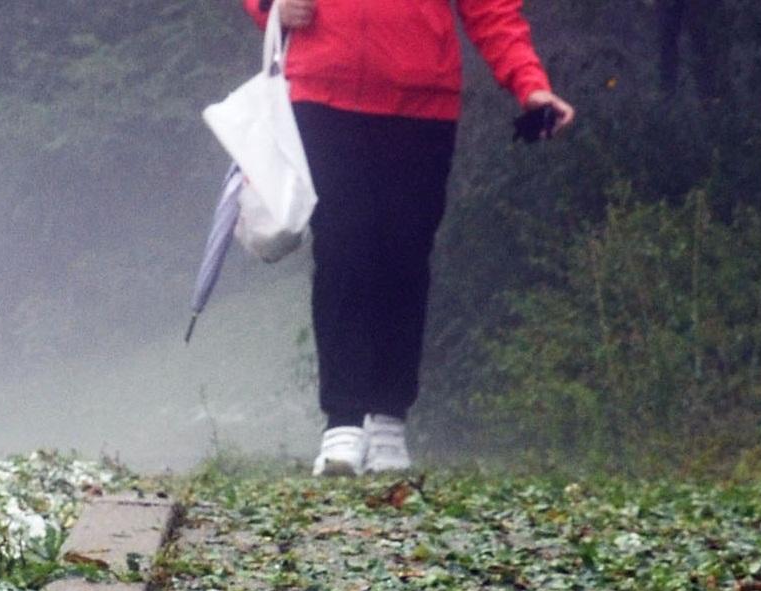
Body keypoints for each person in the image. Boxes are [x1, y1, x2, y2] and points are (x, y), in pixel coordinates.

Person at [242, 0, 575, 476]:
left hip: (422, 105)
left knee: (404, 258)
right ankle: (343, 422)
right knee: (342, 248)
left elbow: (493, 10)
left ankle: (388, 418)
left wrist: (532, 85)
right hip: (321, 95)